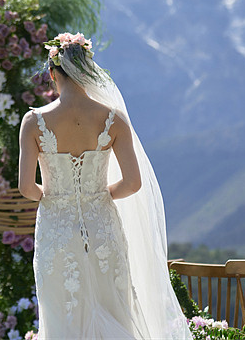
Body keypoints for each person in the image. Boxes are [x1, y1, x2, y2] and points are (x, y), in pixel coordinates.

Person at [18, 33, 193, 339]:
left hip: (56, 229)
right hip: (103, 226)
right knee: (113, 308)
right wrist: (102, 194)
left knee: (63, 312)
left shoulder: (34, 122)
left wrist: (51, 196)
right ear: (88, 71)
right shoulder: (114, 119)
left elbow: (26, 188)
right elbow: (133, 182)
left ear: (52, 74)